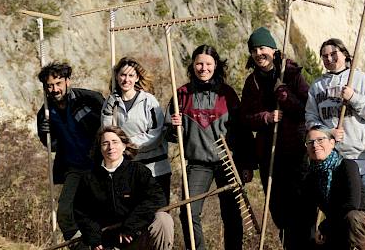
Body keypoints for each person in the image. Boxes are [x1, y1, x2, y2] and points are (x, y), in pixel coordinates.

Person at [168, 44, 255, 250]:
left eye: (208, 63)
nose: (203, 68)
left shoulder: (227, 94)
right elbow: (170, 134)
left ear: (216, 65)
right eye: (199, 63)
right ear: (193, 65)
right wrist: (174, 126)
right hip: (198, 163)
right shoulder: (181, 94)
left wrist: (247, 164)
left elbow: (242, 132)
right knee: (188, 212)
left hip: (227, 161)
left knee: (232, 213)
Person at [305, 38, 365, 244]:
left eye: (334, 54)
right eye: (325, 56)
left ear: (345, 54)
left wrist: (355, 97)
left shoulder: (360, 79)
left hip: (360, 158)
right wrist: (328, 132)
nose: (329, 58)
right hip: (332, 161)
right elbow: (310, 118)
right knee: (337, 214)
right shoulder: (317, 86)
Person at [238, 27, 312, 249]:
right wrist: (266, 117)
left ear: (273, 49)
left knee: (302, 208)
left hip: (296, 152)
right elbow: (245, 118)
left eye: (262, 48)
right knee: (279, 211)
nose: (259, 53)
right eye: (254, 49)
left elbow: (307, 110)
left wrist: (285, 96)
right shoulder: (252, 83)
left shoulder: (291, 74)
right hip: (269, 156)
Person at [36, 62, 104, 243]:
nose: (55, 89)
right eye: (50, 85)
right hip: (73, 169)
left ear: (67, 81)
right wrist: (45, 132)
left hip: (98, 166)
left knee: (101, 212)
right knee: (65, 213)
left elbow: (110, 125)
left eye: (58, 83)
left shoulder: (90, 99)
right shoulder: (45, 113)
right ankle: (79, 247)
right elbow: (51, 145)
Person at [74, 126, 173, 250]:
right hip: (109, 243)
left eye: (115, 142)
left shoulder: (138, 171)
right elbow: (81, 212)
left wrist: (131, 225)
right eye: (105, 143)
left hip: (139, 236)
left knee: (164, 219)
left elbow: (157, 199)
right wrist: (93, 236)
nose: (111, 147)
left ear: (124, 146)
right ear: (100, 149)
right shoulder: (89, 179)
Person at [300, 125, 365, 250]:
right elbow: (306, 210)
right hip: (334, 227)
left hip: (360, 229)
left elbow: (352, 204)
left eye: (320, 140)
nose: (315, 145)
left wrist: (324, 226)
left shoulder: (347, 166)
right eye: (310, 142)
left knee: (352, 217)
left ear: (332, 143)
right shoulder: (312, 176)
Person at [102, 57, 171, 202]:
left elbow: (157, 134)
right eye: (122, 75)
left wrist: (127, 144)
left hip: (155, 169)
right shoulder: (111, 103)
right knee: (134, 215)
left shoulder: (149, 101)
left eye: (130, 75)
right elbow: (107, 132)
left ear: (137, 78)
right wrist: (118, 145)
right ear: (116, 76)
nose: (126, 79)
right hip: (128, 169)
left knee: (159, 213)